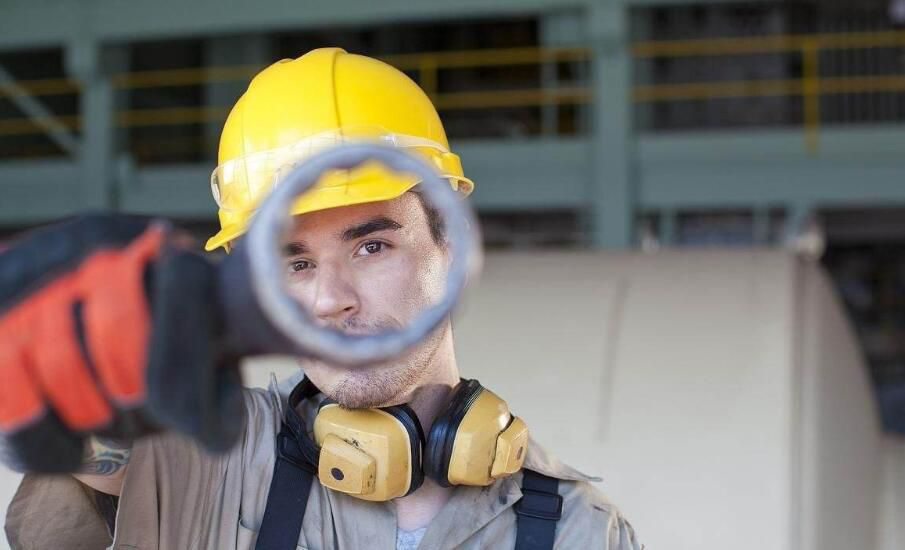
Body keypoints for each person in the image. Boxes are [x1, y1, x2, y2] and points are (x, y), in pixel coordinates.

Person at [1, 48, 641, 549]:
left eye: (371, 247)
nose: (330, 301)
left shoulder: (579, 532)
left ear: (450, 242)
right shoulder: (206, 456)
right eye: (296, 263)